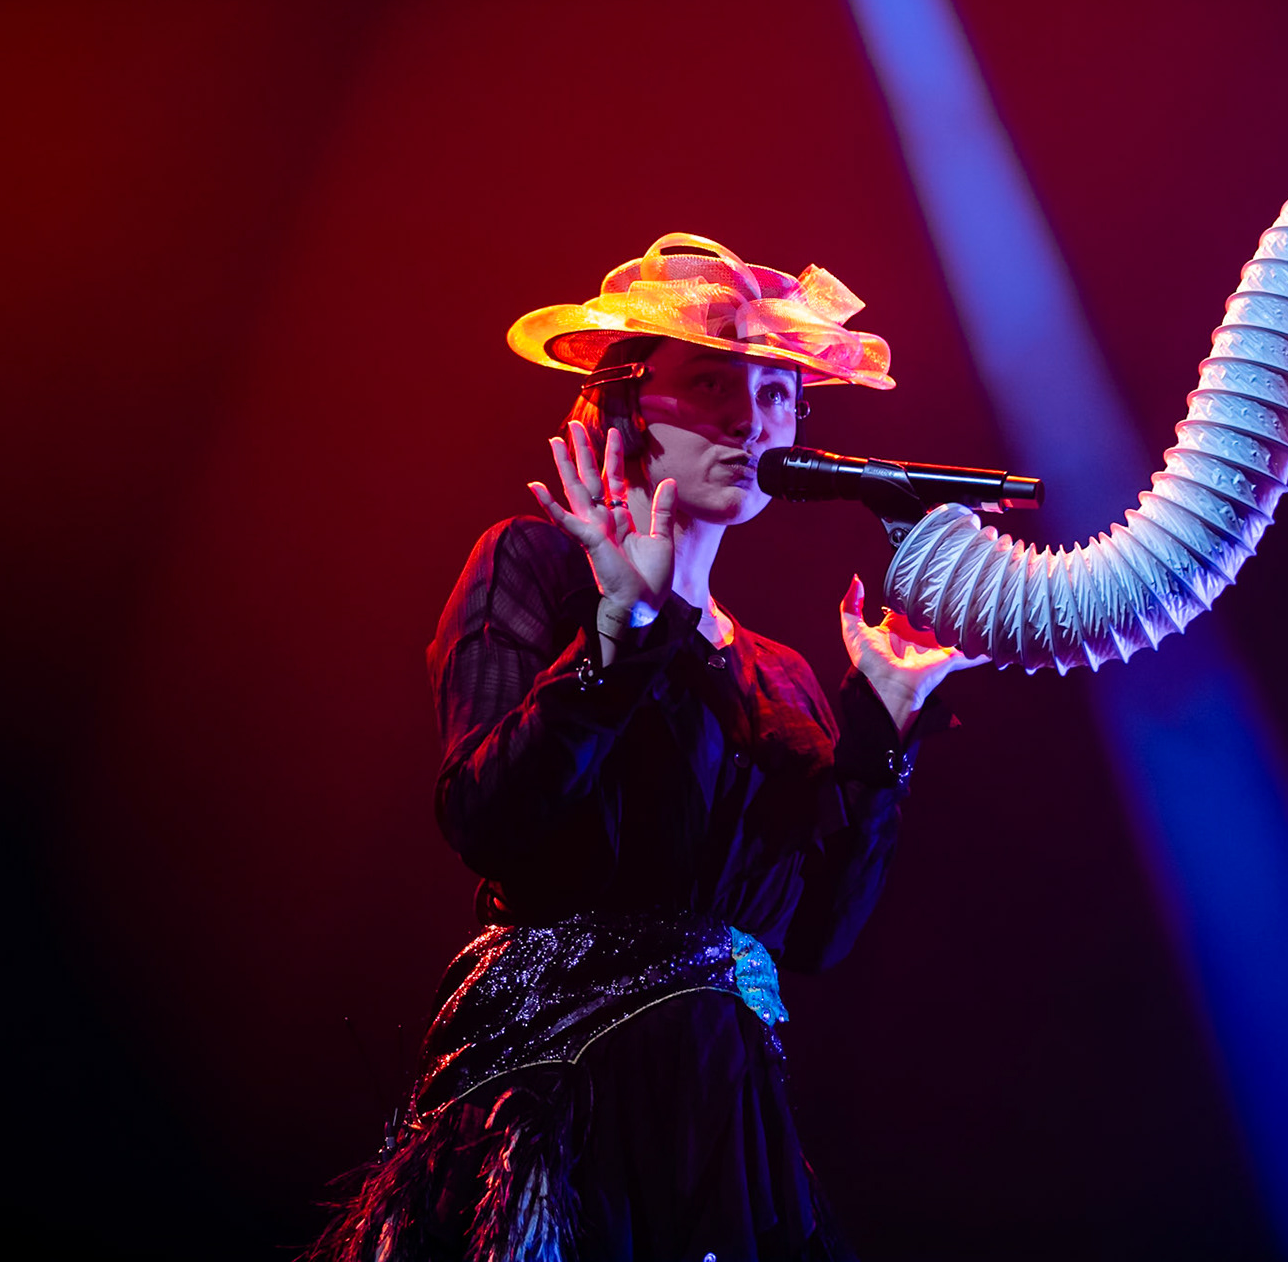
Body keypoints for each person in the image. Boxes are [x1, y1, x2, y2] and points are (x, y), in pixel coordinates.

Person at [321, 233, 983, 1262]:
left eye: (776, 394)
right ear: (625, 402)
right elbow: (485, 813)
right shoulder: (534, 565)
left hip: (719, 1118)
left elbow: (814, 934)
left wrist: (881, 729)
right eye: (712, 381)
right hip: (564, 1098)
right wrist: (618, 639)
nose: (750, 418)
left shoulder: (777, 672)